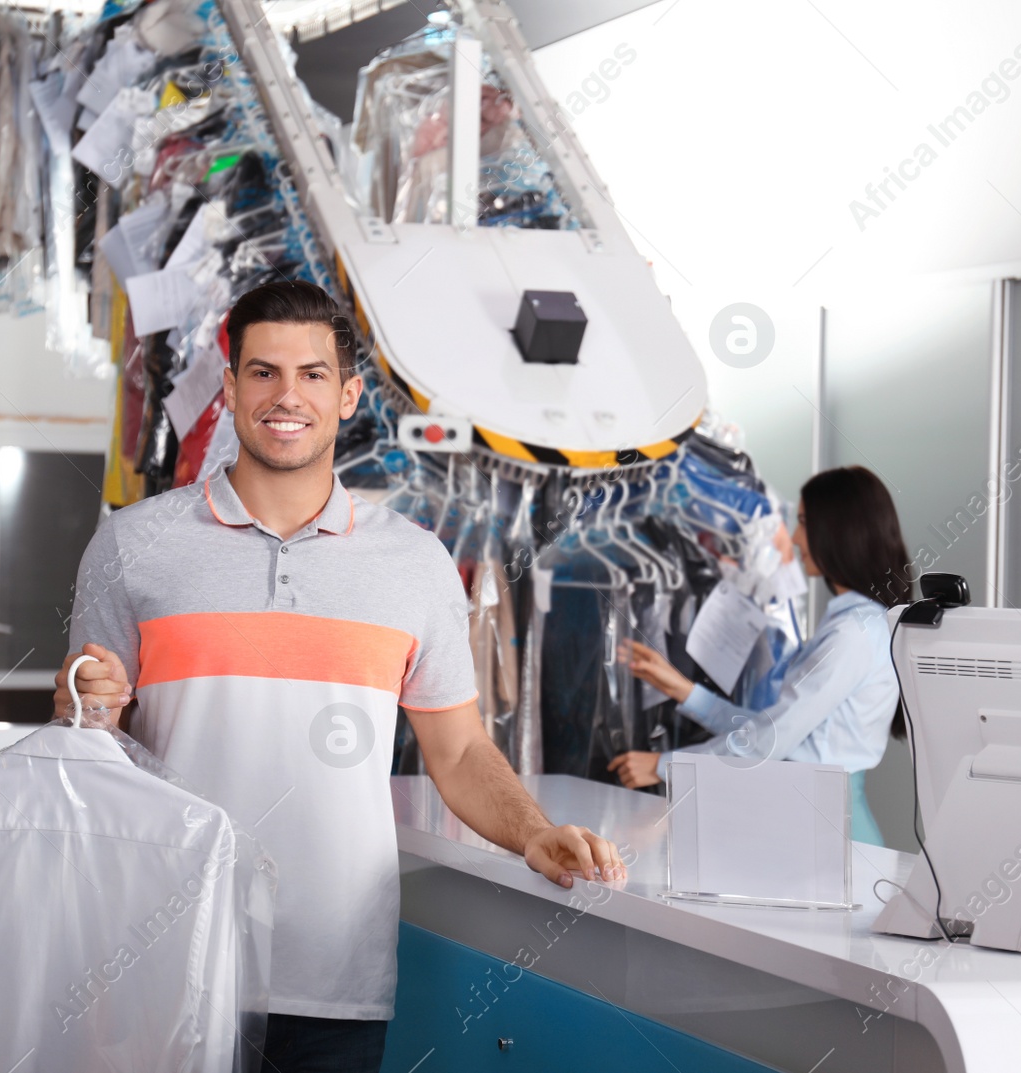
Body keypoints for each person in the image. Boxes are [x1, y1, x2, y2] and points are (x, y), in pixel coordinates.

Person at [55, 281, 624, 1073]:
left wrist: (534, 832)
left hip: (334, 979)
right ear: (228, 387)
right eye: (262, 372)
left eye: (313, 374)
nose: (287, 396)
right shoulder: (130, 543)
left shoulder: (416, 562)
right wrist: (84, 707)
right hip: (163, 962)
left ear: (349, 393)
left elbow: (457, 751)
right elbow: (89, 741)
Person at [607, 466, 909, 847]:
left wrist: (664, 765)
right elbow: (781, 732)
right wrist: (685, 691)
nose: (796, 538)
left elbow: (771, 741)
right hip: (817, 823)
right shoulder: (857, 624)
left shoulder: (853, 634)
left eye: (802, 522)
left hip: (829, 834)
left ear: (839, 530)